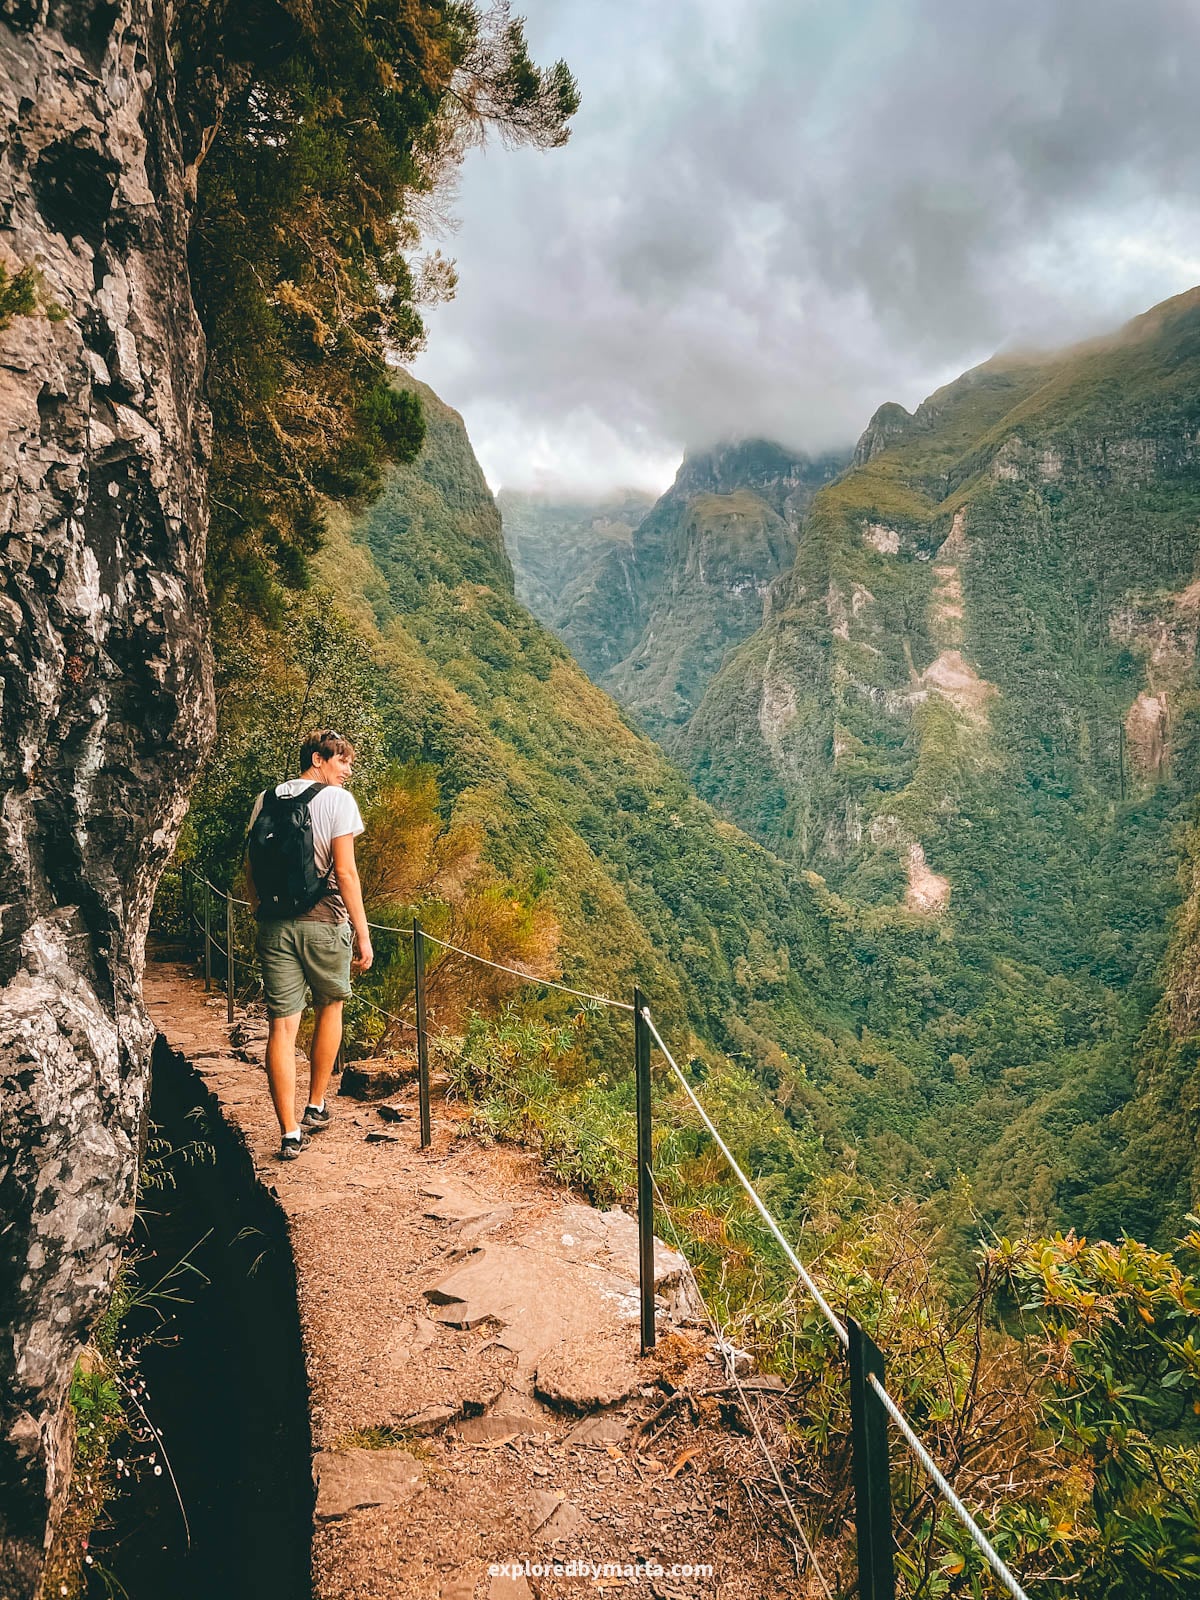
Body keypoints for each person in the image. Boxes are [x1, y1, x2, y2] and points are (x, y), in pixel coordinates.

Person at [246, 729, 374, 1159]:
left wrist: (258, 910)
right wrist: (363, 931)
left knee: (282, 1026)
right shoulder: (337, 801)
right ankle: (316, 1104)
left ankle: (289, 1132)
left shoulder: (264, 800)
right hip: (324, 923)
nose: (348, 771)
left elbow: (251, 865)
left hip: (274, 925)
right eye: (342, 762)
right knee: (330, 1007)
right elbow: (347, 873)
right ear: (318, 759)